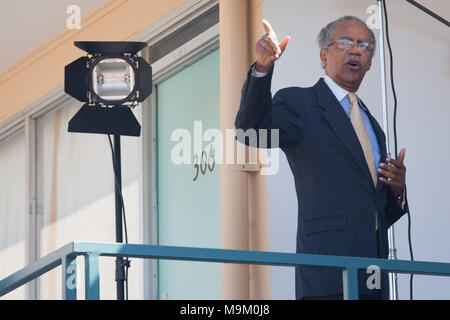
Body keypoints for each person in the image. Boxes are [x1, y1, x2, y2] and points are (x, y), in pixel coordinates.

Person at [235, 16, 408, 300]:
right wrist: (263, 69)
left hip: (373, 278)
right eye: (345, 42)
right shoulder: (300, 104)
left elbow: (376, 211)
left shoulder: (373, 125)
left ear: (370, 62)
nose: (355, 50)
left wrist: (396, 190)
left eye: (363, 45)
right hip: (325, 276)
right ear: (323, 54)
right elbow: (250, 131)